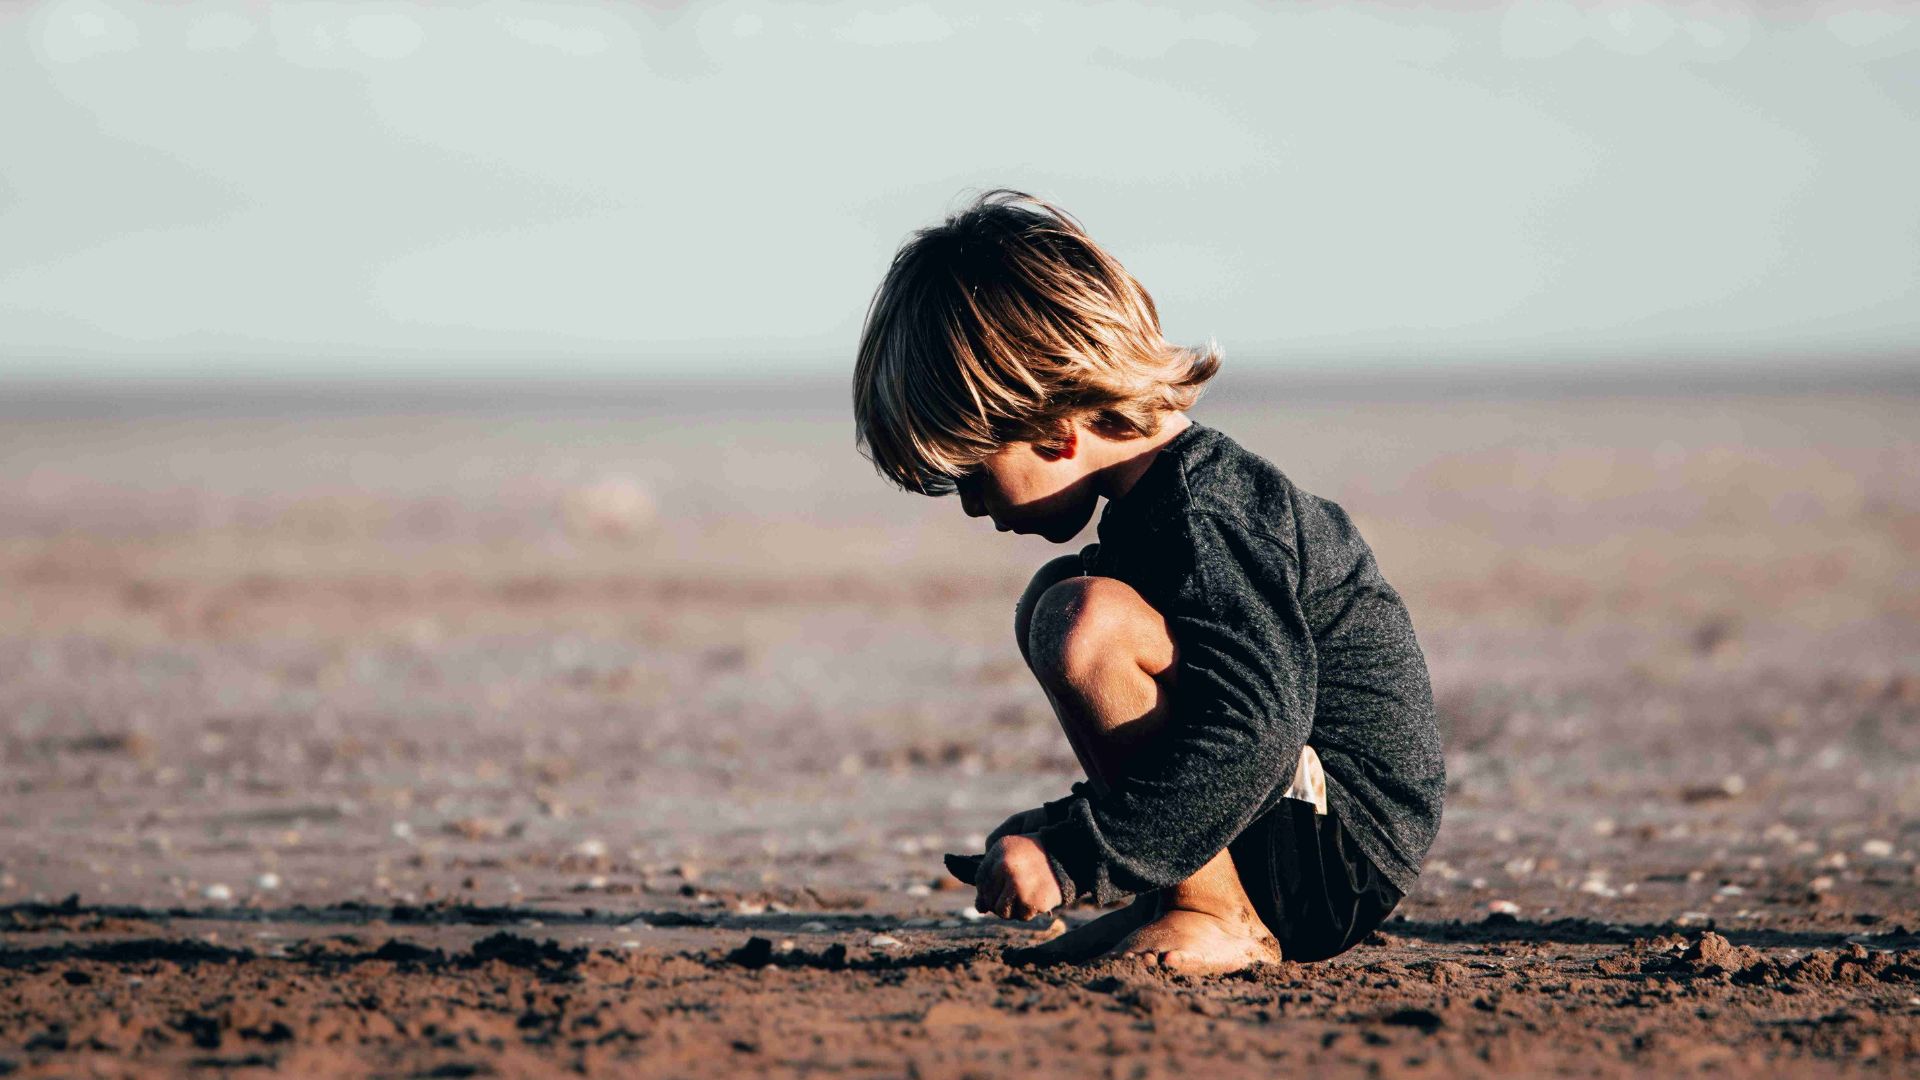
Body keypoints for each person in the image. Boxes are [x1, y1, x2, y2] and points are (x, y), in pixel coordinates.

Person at [851, 190, 1445, 974]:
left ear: (1056, 431)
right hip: (1291, 818)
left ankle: (1216, 913)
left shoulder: (1206, 513)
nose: (968, 504)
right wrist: (1066, 825)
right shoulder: (1154, 508)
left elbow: (1258, 725)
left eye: (971, 471)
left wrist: (1075, 850)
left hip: (1339, 848)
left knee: (1084, 621)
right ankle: (1184, 898)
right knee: (1058, 600)